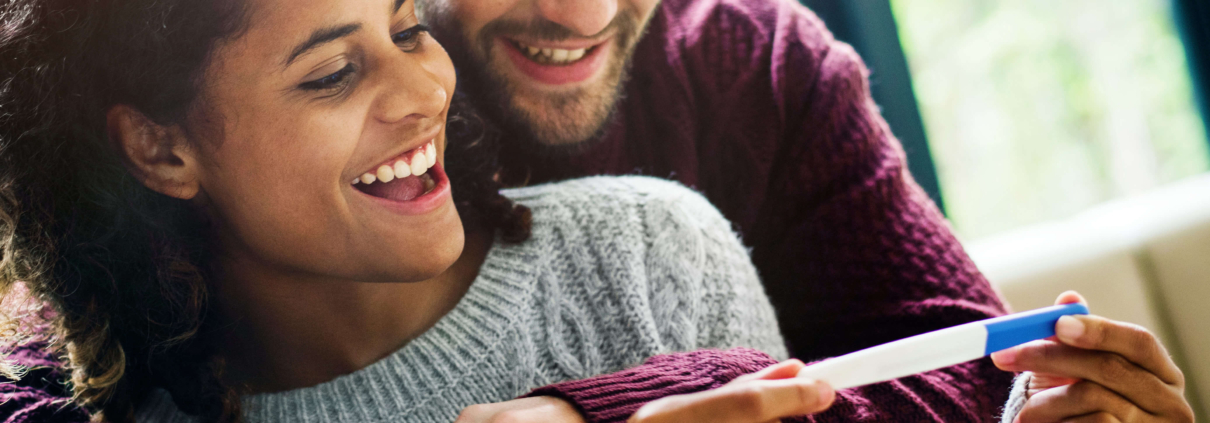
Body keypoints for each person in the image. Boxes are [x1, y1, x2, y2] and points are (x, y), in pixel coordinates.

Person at [0, 0, 820, 421]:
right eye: (331, 75)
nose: (427, 91)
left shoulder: (655, 253)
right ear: (158, 149)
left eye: (406, 30)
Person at [416, 0, 1197, 421]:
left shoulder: (761, 61)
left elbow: (977, 377)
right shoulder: (347, 143)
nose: (586, 16)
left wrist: (622, 405)